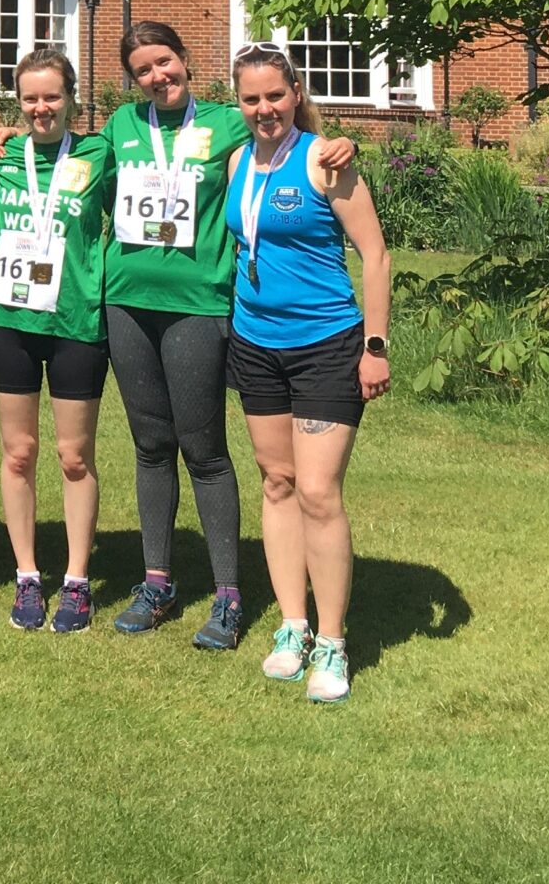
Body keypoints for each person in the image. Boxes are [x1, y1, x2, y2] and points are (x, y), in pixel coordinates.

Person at [99, 21, 353, 652]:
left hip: (199, 304)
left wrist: (339, 141)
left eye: (164, 61)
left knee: (204, 449)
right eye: (142, 70)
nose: (157, 76)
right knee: (149, 445)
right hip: (127, 301)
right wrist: (9, 138)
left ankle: (228, 594)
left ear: (185, 59)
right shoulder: (121, 125)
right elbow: (76, 167)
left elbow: (289, 140)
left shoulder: (229, 122)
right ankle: (156, 582)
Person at [227, 45, 392, 704]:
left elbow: (375, 255)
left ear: (296, 93)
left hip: (325, 344)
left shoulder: (326, 161)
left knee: (319, 492)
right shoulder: (238, 161)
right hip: (255, 344)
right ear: (239, 104)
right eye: (251, 99)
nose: (264, 108)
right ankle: (292, 626)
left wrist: (374, 346)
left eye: (275, 95)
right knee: (277, 482)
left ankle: (332, 640)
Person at [0, 47, 115, 633]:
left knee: (74, 456)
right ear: (19, 102)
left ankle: (78, 580)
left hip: (76, 322)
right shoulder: (2, 154)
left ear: (72, 99)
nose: (41, 107)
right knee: (18, 453)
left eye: (52, 96)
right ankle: (28, 575)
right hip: (12, 321)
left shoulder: (99, 154)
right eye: (30, 98)